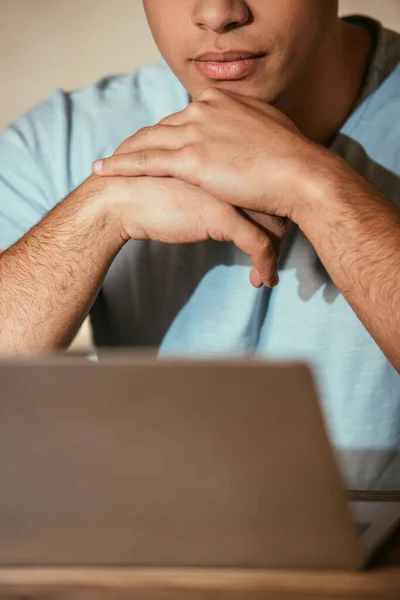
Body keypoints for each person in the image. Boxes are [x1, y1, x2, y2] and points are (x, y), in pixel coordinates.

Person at [0, 0, 399, 489]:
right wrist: (96, 214)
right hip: (148, 556)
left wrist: (317, 188)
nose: (216, 13)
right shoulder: (62, 138)